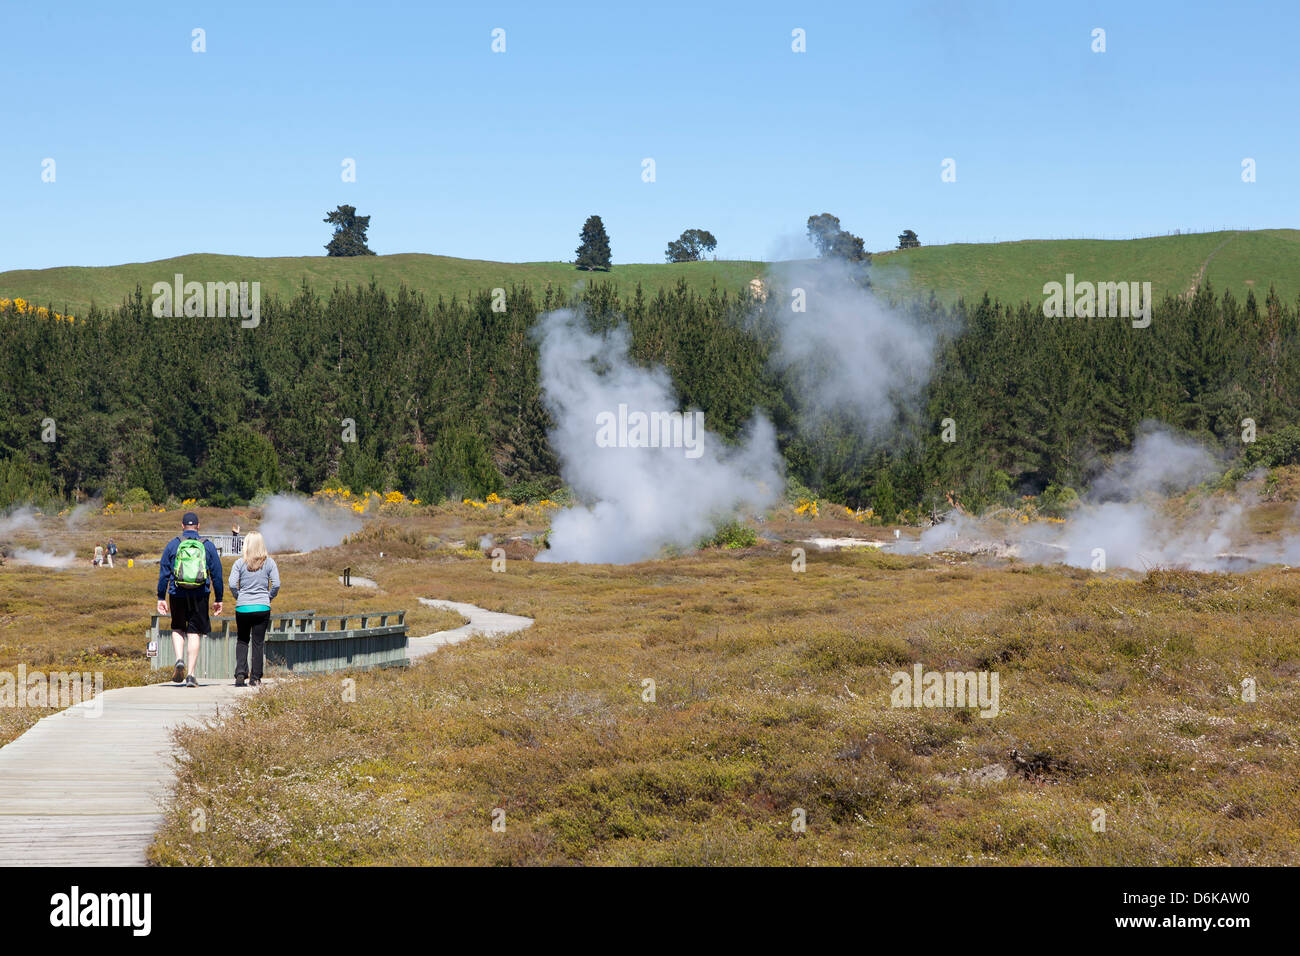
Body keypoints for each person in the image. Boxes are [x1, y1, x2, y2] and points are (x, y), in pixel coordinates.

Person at [156, 512, 224, 687]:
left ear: (182, 525)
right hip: (200, 594)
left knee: (178, 627)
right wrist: (219, 598)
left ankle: (179, 659)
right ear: (198, 526)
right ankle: (191, 675)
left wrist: (160, 597)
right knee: (194, 632)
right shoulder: (207, 546)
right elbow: (217, 574)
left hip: (177, 592)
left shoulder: (173, 545)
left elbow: (164, 573)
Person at [228, 531, 279, 687]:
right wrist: (268, 597)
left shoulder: (239, 563)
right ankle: (255, 678)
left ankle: (240, 673)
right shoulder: (269, 563)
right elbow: (276, 584)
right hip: (262, 607)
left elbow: (231, 584)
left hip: (242, 607)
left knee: (242, 640)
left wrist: (239, 596)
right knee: (258, 642)